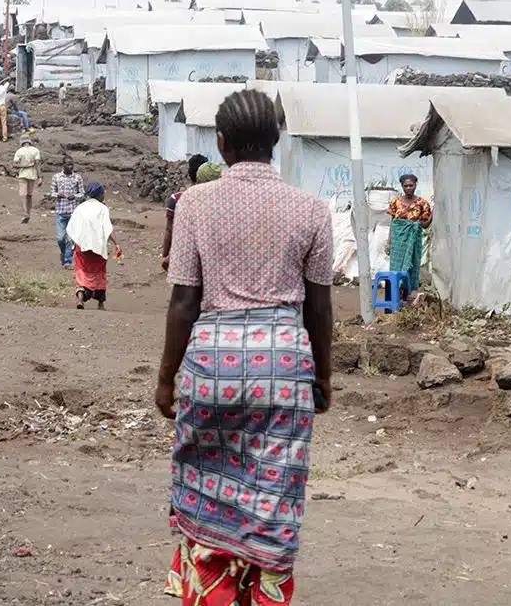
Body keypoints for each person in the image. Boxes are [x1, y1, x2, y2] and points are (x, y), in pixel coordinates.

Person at [157, 88, 334, 606]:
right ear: (276, 142)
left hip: (211, 366)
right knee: (273, 499)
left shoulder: (194, 204)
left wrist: (167, 379)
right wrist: (322, 376)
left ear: (222, 143)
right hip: (282, 369)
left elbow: (184, 302)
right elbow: (318, 309)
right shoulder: (312, 211)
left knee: (209, 485)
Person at [66, 182, 121, 310]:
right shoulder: (103, 209)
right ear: (99, 195)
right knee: (99, 272)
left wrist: (75, 243)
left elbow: (72, 227)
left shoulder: (80, 208)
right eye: (103, 194)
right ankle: (100, 303)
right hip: (98, 246)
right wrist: (116, 244)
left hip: (82, 246)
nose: (104, 197)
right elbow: (108, 229)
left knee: (82, 271)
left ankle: (81, 299)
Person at [387, 174, 432, 300]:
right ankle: (396, 297)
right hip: (398, 243)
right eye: (405, 186)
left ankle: (410, 295)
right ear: (402, 186)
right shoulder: (395, 202)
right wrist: (389, 243)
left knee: (412, 266)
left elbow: (424, 225)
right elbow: (393, 224)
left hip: (413, 242)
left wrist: (433, 214)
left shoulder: (422, 204)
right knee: (396, 269)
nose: (408, 188)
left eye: (411, 185)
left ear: (416, 185)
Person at [161, 154, 209, 271]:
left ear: (189, 173)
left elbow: (169, 230)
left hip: (184, 257)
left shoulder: (176, 199)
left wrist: (165, 256)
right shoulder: (218, 201)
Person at [50, 156, 85, 268]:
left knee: (70, 238)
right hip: (60, 211)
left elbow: (82, 193)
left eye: (72, 164)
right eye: (68, 164)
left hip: (73, 212)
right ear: (63, 165)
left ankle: (67, 261)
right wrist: (57, 195)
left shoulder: (77, 178)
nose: (71, 167)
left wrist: (74, 196)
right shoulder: (56, 177)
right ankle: (64, 253)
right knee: (60, 238)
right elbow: (52, 192)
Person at [12, 134, 41, 223]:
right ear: (29, 141)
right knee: (29, 195)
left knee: (23, 195)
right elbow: (37, 164)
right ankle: (28, 213)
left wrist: (24, 165)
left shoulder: (19, 151)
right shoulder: (36, 150)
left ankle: (25, 213)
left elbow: (14, 164)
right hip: (32, 175)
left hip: (23, 175)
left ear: (22, 142)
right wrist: (40, 177)